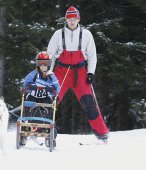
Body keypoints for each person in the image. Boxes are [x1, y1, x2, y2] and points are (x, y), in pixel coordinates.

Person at [47, 6, 109, 142]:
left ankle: (102, 133)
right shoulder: (58, 34)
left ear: (78, 19)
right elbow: (50, 55)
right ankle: (44, 130)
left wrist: (91, 72)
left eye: (74, 18)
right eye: (69, 19)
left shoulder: (86, 34)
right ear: (66, 19)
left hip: (80, 72)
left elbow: (92, 56)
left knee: (89, 103)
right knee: (51, 100)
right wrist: (49, 73)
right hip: (61, 72)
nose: (72, 21)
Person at [21, 51, 60, 147]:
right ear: (37, 64)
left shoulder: (52, 77)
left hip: (45, 97)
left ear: (49, 64)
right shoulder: (32, 75)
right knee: (27, 108)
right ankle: (25, 129)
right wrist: (31, 87)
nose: (43, 65)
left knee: (50, 111)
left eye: (45, 63)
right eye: (40, 63)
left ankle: (49, 134)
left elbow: (57, 89)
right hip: (33, 96)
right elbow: (24, 87)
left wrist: (50, 89)